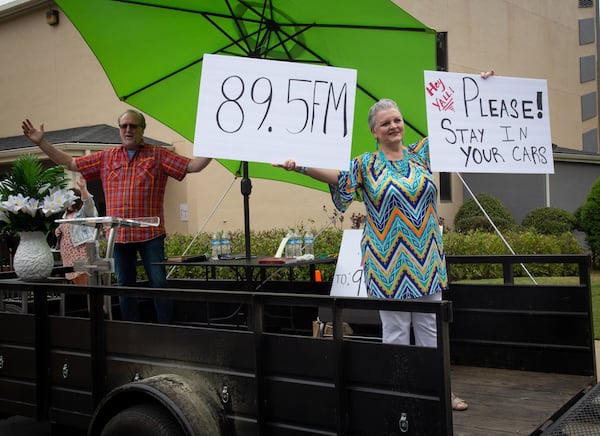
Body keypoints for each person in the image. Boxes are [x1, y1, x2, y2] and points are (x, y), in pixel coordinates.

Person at [275, 71, 494, 411]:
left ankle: (439, 389)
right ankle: (400, 392)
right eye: (385, 123)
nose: (394, 126)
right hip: (387, 261)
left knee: (430, 330)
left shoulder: (422, 155)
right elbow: (337, 176)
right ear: (374, 131)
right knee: (394, 331)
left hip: (426, 258)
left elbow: (454, 124)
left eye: (397, 120)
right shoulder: (366, 165)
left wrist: (477, 86)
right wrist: (299, 167)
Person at [22, 109, 212, 324]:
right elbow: (71, 164)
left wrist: (215, 146)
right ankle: (130, 332)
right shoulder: (107, 157)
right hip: (119, 236)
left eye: (133, 126)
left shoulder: (158, 154)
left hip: (150, 235)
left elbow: (193, 166)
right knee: (124, 286)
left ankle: (165, 330)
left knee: (159, 284)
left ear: (142, 130)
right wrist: (42, 143)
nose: (128, 130)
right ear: (120, 130)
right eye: (124, 126)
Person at [55, 176, 98, 285]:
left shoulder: (82, 212)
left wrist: (83, 189)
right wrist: (58, 230)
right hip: (67, 252)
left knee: (85, 277)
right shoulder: (65, 215)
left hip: (81, 250)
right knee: (74, 279)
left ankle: (92, 302)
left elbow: (89, 203)